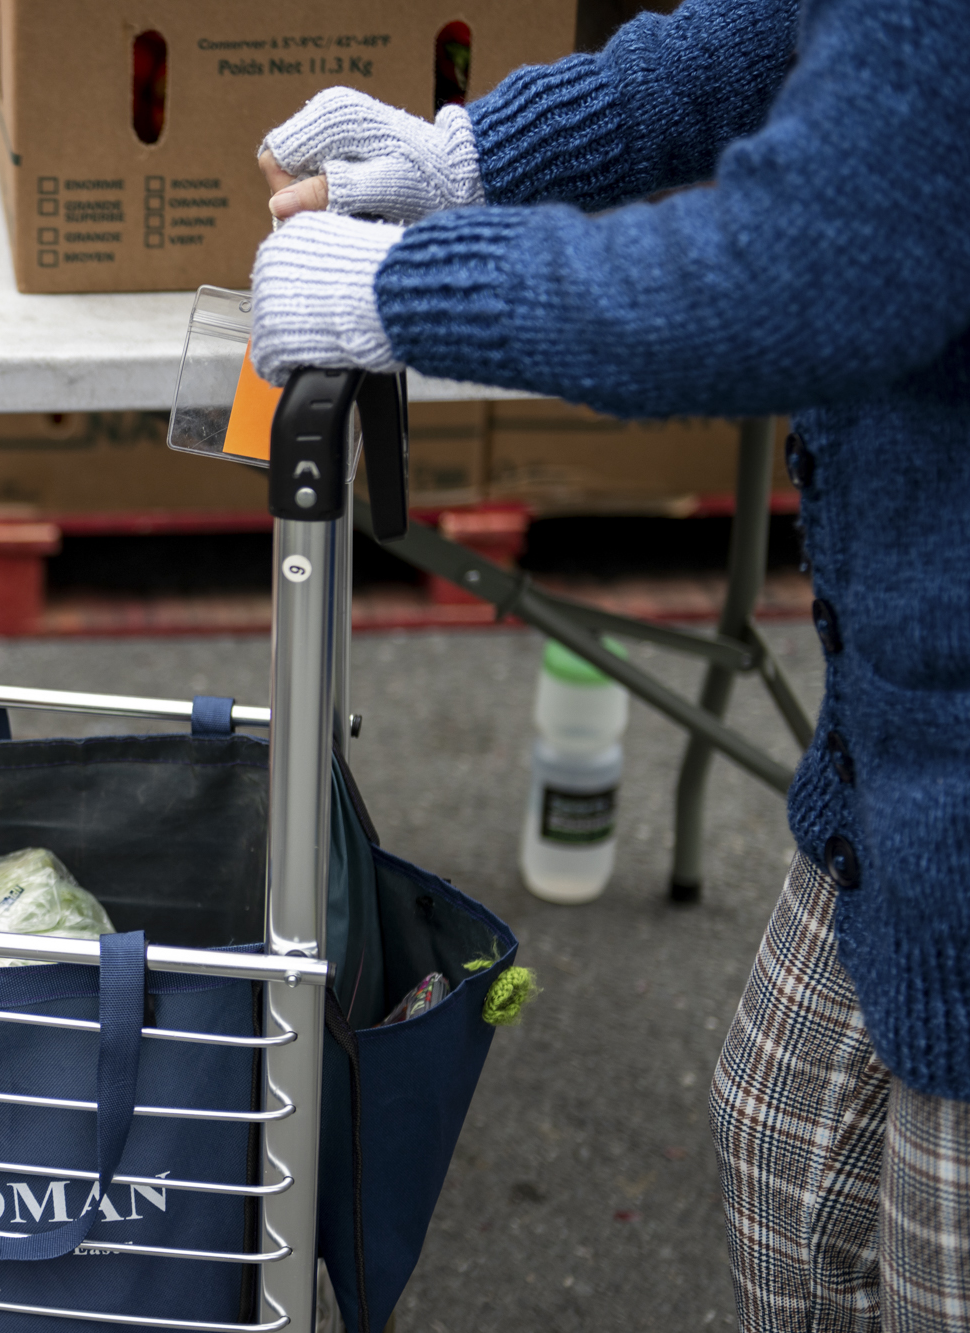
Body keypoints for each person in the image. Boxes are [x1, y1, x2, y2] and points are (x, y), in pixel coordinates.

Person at [247, 0, 970, 1321]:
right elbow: (774, 31)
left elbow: (799, 270)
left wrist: (412, 287)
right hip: (900, 761)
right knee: (777, 1139)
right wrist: (477, 155)